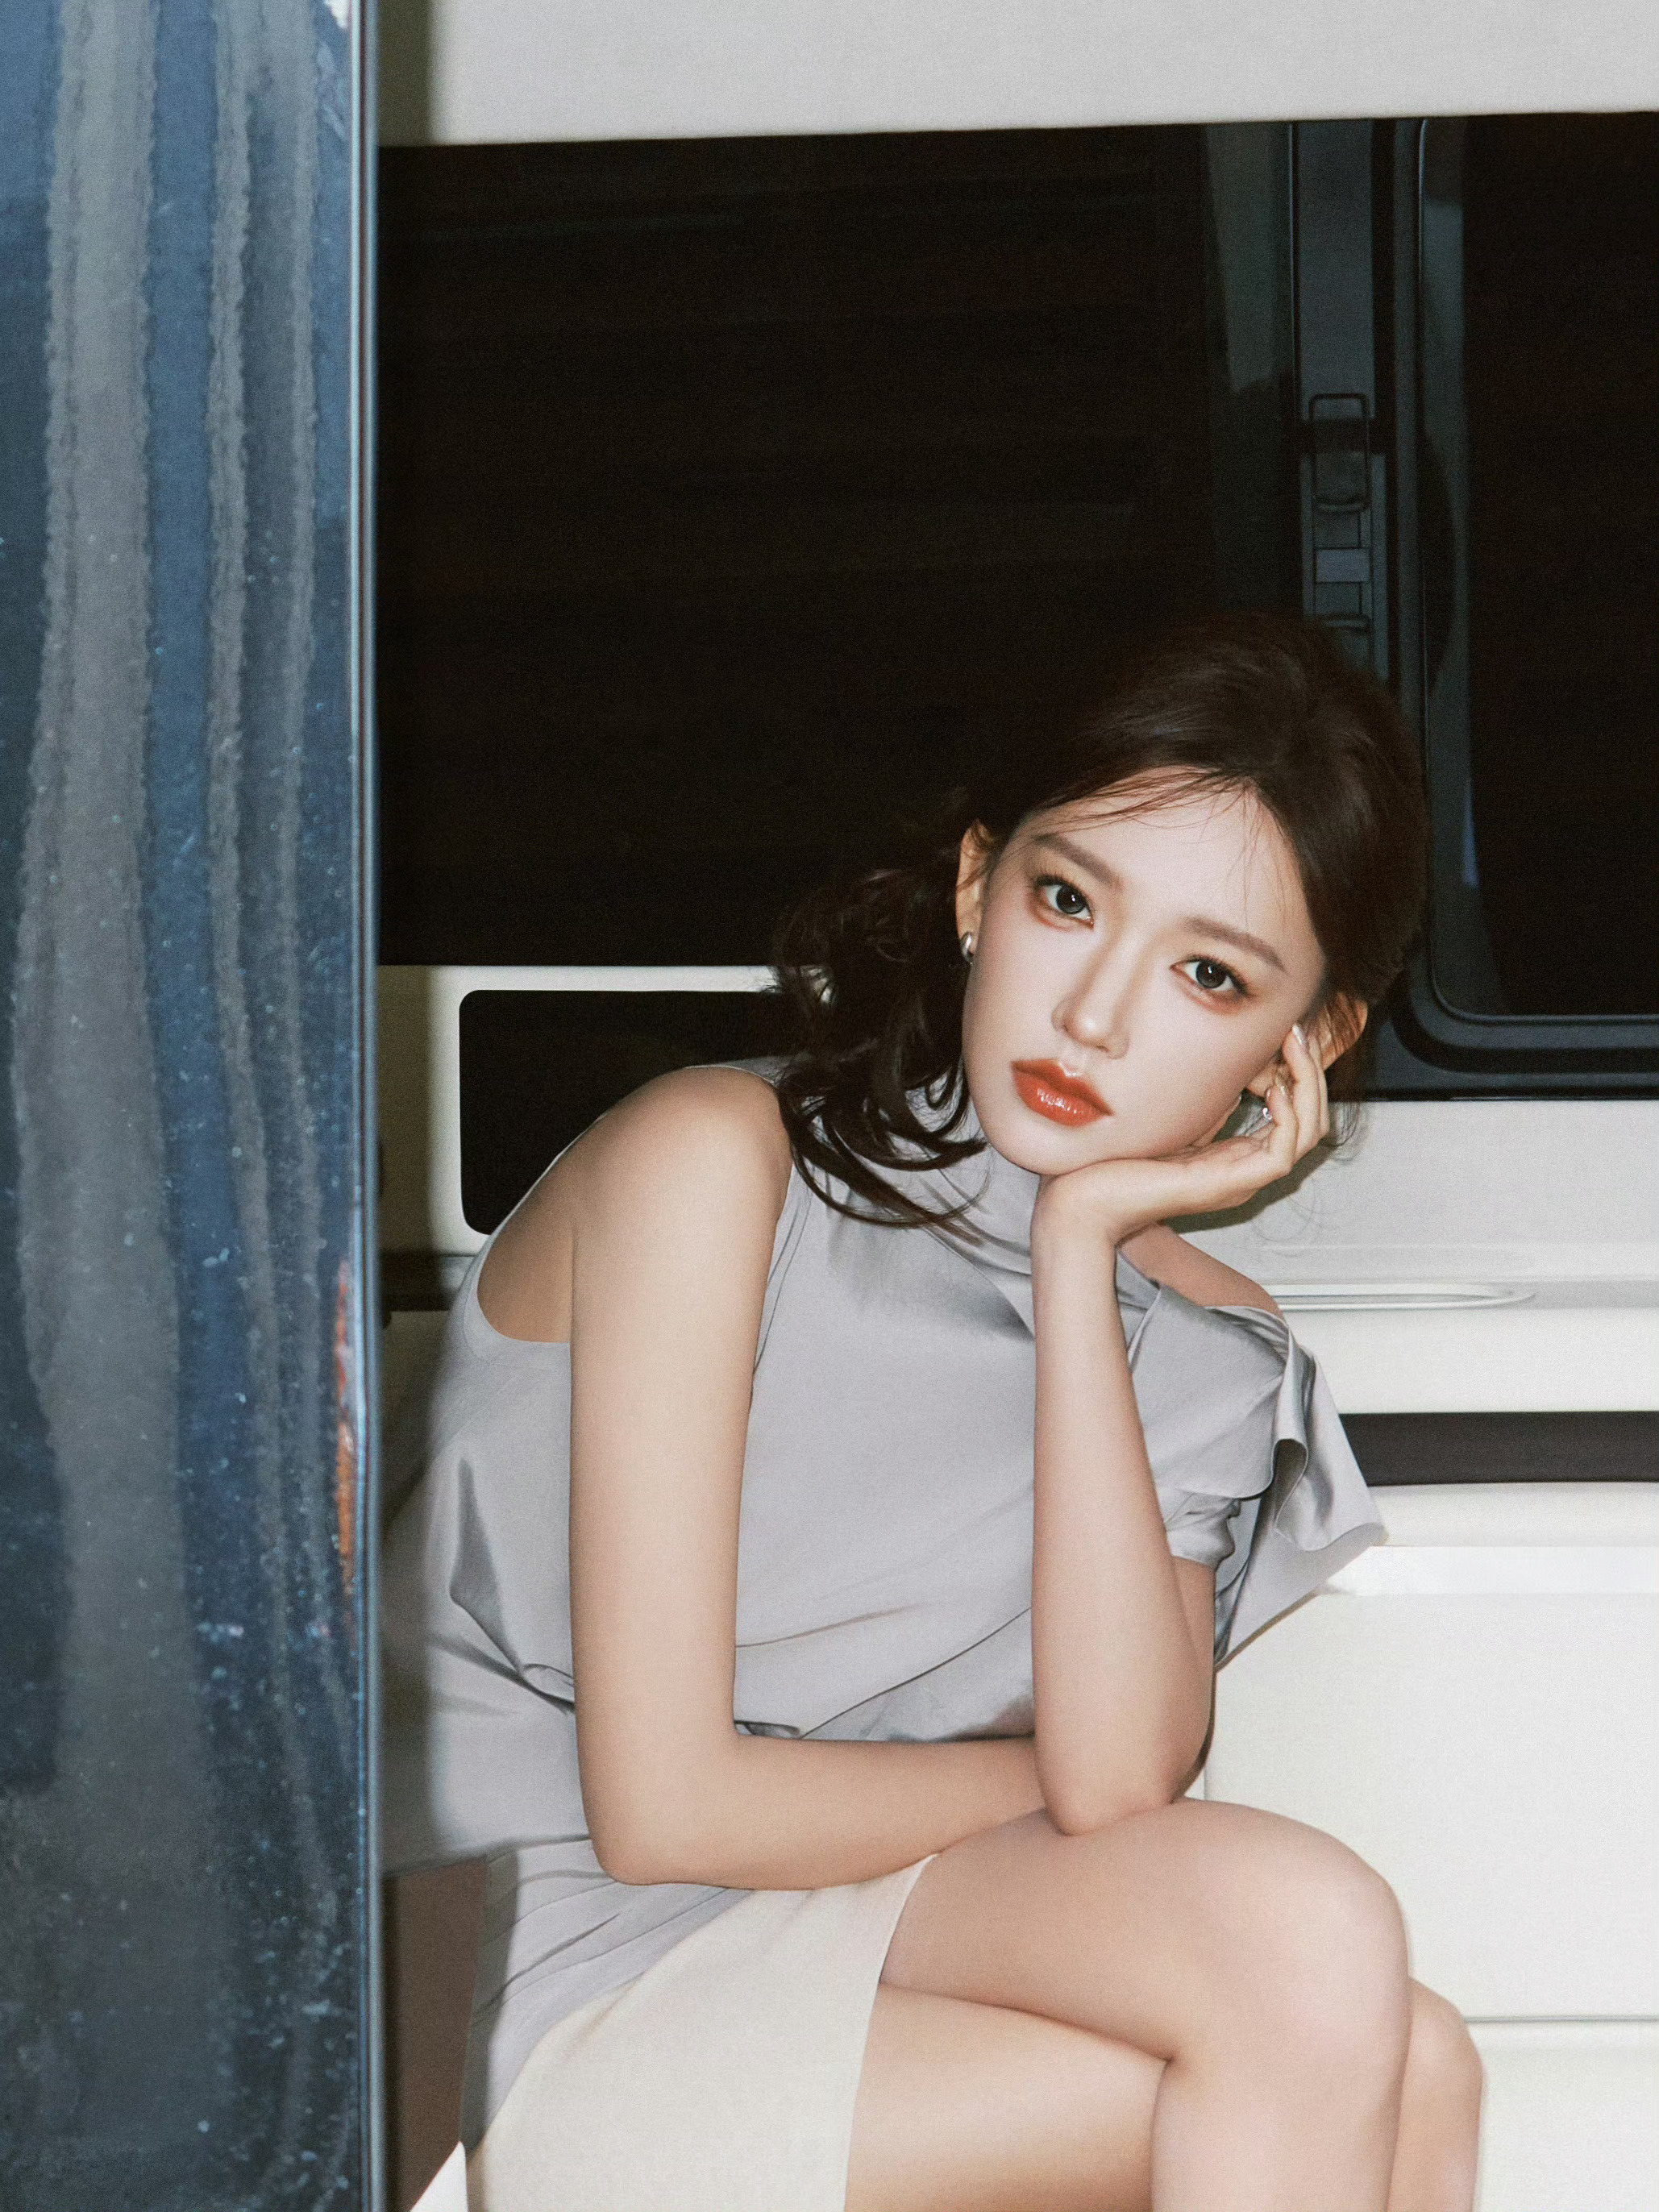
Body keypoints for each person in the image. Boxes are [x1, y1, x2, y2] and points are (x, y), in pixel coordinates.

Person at [380, 610, 1485, 2212]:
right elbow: (666, 1806)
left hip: (842, 1915)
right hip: (507, 1965)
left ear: (1303, 1043)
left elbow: (1118, 1777)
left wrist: (1078, 1252)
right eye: (1067, 900)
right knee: (1367, 2044)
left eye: (1206, 974)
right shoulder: (716, 1163)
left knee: (1396, 2032)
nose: (1095, 1014)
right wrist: (1046, 1779)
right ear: (977, 888)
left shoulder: (1208, 1352)